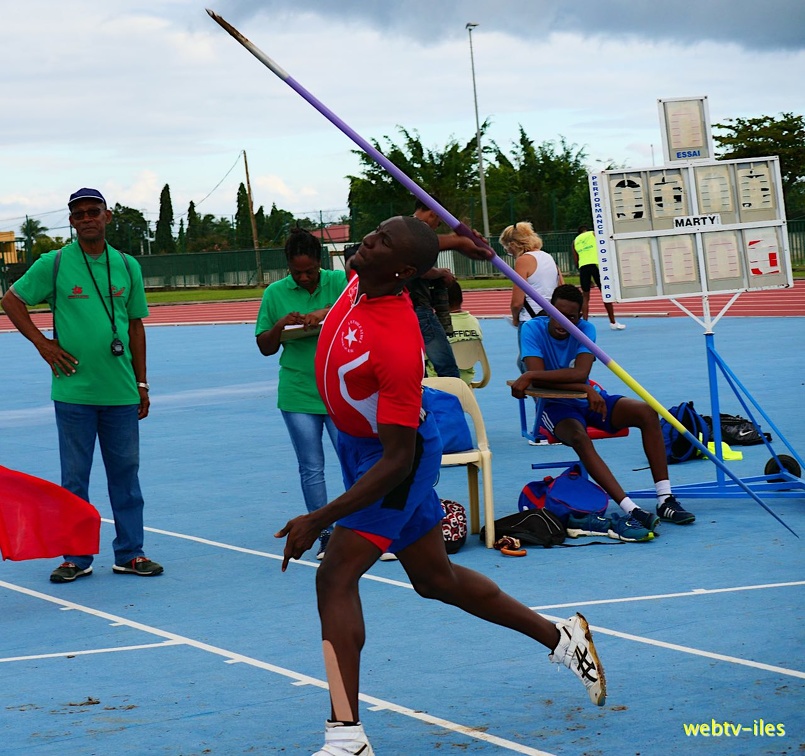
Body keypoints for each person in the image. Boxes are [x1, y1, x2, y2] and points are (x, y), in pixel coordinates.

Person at [276, 217, 606, 756]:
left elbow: (399, 459)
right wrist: (459, 239)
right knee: (435, 578)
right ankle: (561, 636)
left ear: (402, 270)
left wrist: (321, 518)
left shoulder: (397, 340)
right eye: (375, 231)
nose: (367, 242)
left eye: (380, 241)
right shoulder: (363, 278)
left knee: (335, 577)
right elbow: (417, 244)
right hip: (360, 447)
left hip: (393, 462)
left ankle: (346, 736)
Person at [0, 188, 162, 582]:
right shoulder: (54, 264)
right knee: (74, 478)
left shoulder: (126, 265)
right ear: (71, 222)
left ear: (107, 217)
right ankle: (75, 556)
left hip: (121, 391)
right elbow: (11, 300)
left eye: (94, 211)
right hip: (73, 392)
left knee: (126, 475)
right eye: (79, 214)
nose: (88, 218)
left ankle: (130, 552)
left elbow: (136, 326)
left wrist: (142, 382)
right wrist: (43, 344)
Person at [511, 284, 696, 541]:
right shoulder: (532, 328)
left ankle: (665, 499)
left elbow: (580, 373)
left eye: (571, 317)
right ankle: (630, 509)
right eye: (557, 314)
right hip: (553, 407)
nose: (562, 322)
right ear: (548, 310)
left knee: (646, 412)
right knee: (580, 438)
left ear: (580, 316)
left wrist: (570, 385)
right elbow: (540, 381)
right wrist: (574, 386)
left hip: (589, 398)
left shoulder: (587, 329)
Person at [255, 227, 347, 559]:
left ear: (321, 263)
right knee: (311, 466)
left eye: (310, 270)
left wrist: (324, 313)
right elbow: (264, 347)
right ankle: (326, 535)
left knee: (354, 461)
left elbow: (358, 313)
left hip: (340, 389)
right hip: (297, 391)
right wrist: (280, 326)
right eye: (298, 272)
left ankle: (362, 531)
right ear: (288, 268)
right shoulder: (275, 293)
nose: (305, 277)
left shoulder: (338, 283)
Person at [406, 198, 463, 378]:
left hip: (402, 308)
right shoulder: (419, 232)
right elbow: (419, 268)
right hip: (419, 307)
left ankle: (421, 404)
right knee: (447, 369)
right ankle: (454, 403)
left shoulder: (401, 229)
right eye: (439, 221)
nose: (437, 226)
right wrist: (440, 273)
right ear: (433, 213)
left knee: (414, 369)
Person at [500, 221, 563, 372]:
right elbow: (562, 288)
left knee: (528, 365)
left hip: (530, 320)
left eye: (508, 250)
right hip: (550, 318)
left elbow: (517, 302)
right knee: (548, 361)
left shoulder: (523, 261)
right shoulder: (548, 257)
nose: (509, 253)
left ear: (514, 245)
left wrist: (515, 318)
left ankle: (540, 396)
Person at [425, 280, 484, 385]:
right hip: (466, 378)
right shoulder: (473, 321)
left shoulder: (434, 325)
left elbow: (424, 356)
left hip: (437, 379)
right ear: (461, 298)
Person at [572, 225, 625, 330]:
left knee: (585, 297)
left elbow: (576, 261)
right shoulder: (593, 234)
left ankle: (584, 324)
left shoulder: (575, 241)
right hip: (596, 265)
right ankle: (613, 322)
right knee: (606, 294)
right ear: (587, 230)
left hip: (583, 267)